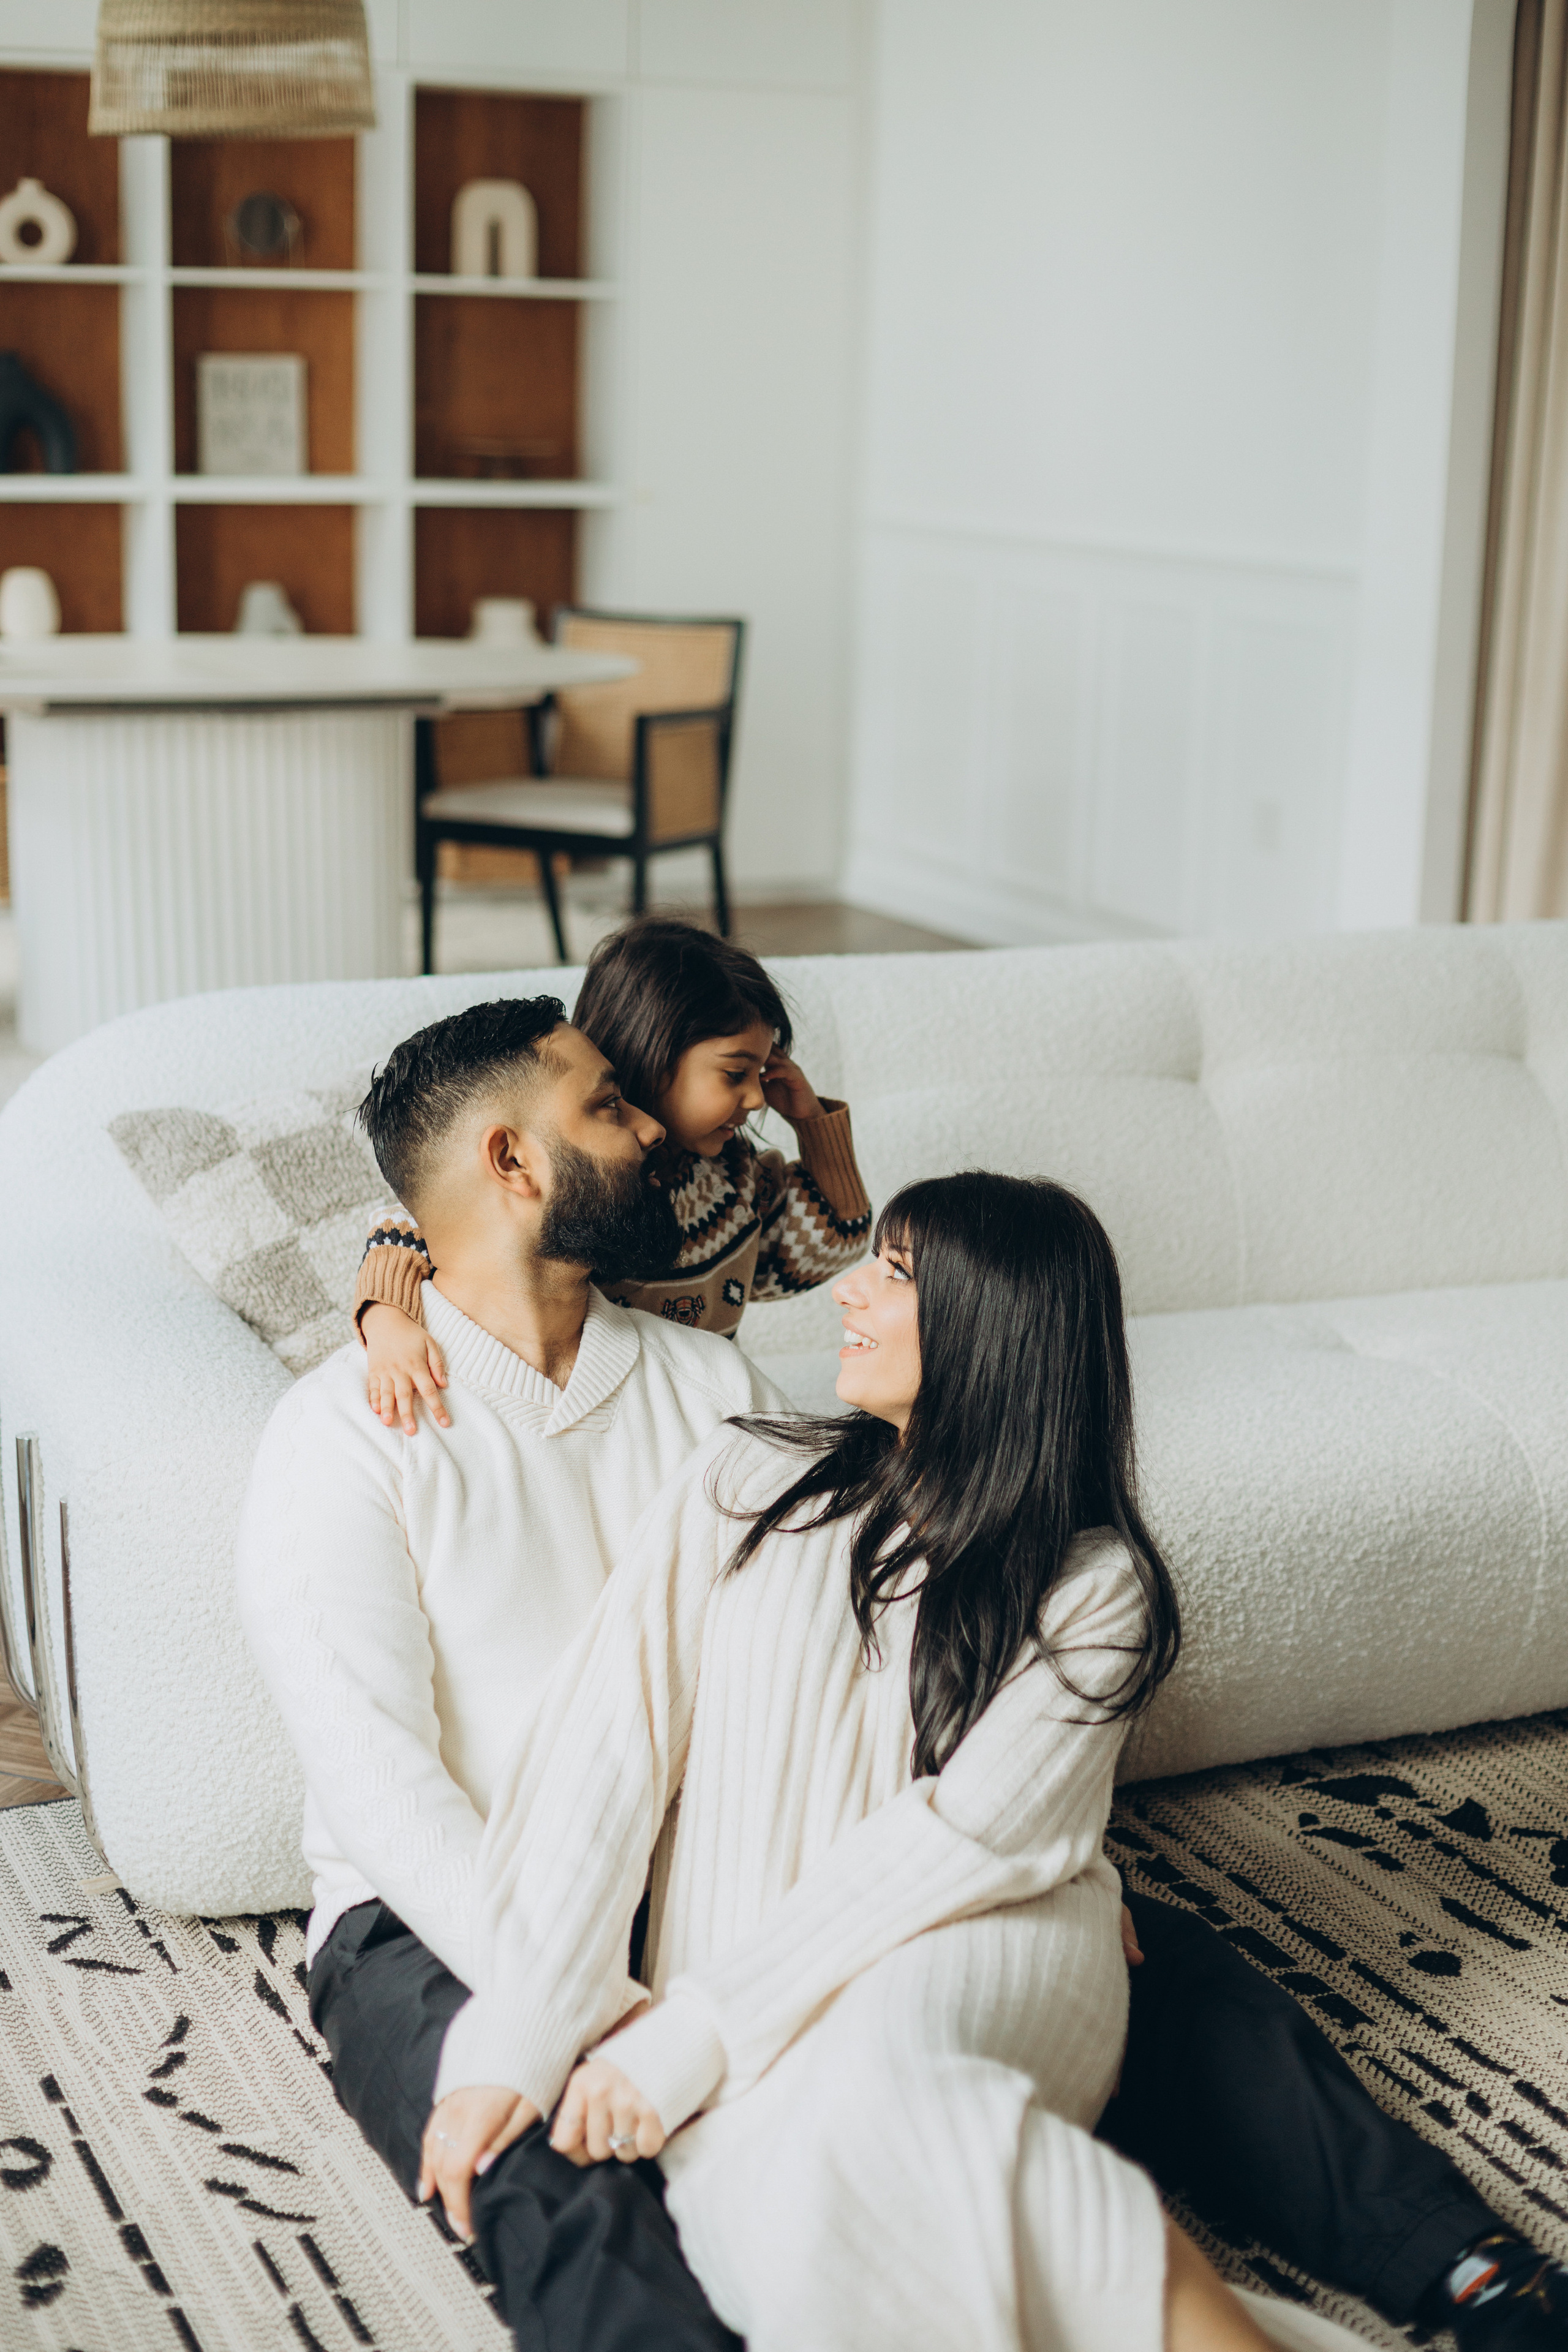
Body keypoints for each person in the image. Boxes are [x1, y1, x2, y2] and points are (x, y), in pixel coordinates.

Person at [420, 1172, 1373, 2351]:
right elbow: (607, 1754)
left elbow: (974, 1838)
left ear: (994, 1326)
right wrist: (518, 2035)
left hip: (979, 1943)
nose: (849, 1290)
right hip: (747, 1963)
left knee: (893, 2085)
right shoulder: (742, 1478)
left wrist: (697, 2031)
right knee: (814, 2210)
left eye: (896, 1272)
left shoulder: (1093, 1583)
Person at [236, 991, 785, 2351]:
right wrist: (589, 2010)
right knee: (550, 2166)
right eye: (606, 1105)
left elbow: (822, 1667)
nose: (651, 1130)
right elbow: (383, 1789)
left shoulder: (715, 1391)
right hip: (427, 1923)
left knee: (1052, 1972)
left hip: (691, 1886)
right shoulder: (338, 1437)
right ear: (512, 1160)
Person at [353, 917, 872, 1434]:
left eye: (761, 1074)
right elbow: (417, 1225)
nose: (757, 1098)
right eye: (735, 1074)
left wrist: (812, 1122)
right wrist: (387, 1321)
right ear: (652, 1051)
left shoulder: (739, 1180)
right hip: (603, 1414)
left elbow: (833, 1243)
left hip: (696, 1415)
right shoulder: (590, 1188)